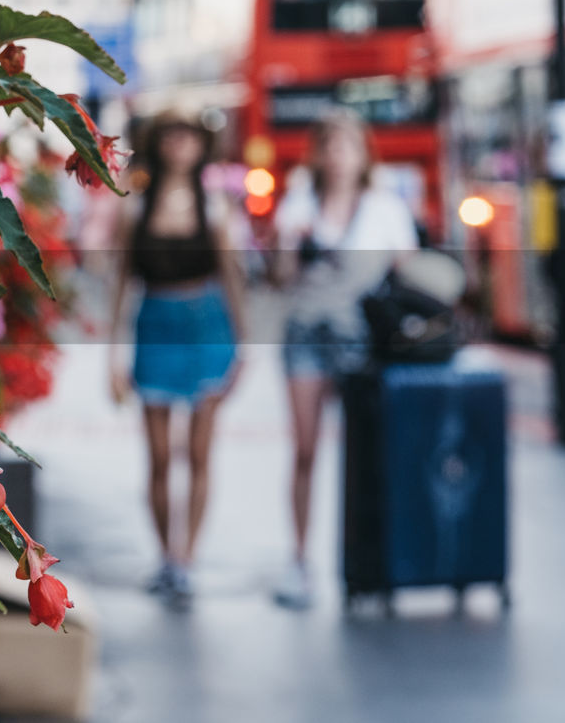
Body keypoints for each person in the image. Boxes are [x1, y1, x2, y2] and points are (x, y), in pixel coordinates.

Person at [272, 109, 418, 609]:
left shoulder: (385, 207)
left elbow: (406, 275)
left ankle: (370, 559)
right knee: (306, 450)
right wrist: (294, 244)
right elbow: (282, 277)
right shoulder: (298, 203)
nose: (338, 156)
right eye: (329, 145)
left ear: (364, 153)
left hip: (360, 340)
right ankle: (299, 560)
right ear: (317, 153)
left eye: (347, 145)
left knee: (368, 454)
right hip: (306, 333)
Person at [109, 112, 246, 610]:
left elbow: (233, 278)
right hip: (155, 324)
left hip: (207, 323)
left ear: (200, 145)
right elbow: (122, 282)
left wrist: (244, 346)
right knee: (160, 456)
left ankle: (186, 558)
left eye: (188, 136)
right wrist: (112, 356)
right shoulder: (136, 206)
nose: (180, 144)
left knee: (200, 451)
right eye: (171, 135)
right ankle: (167, 555)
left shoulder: (215, 206)